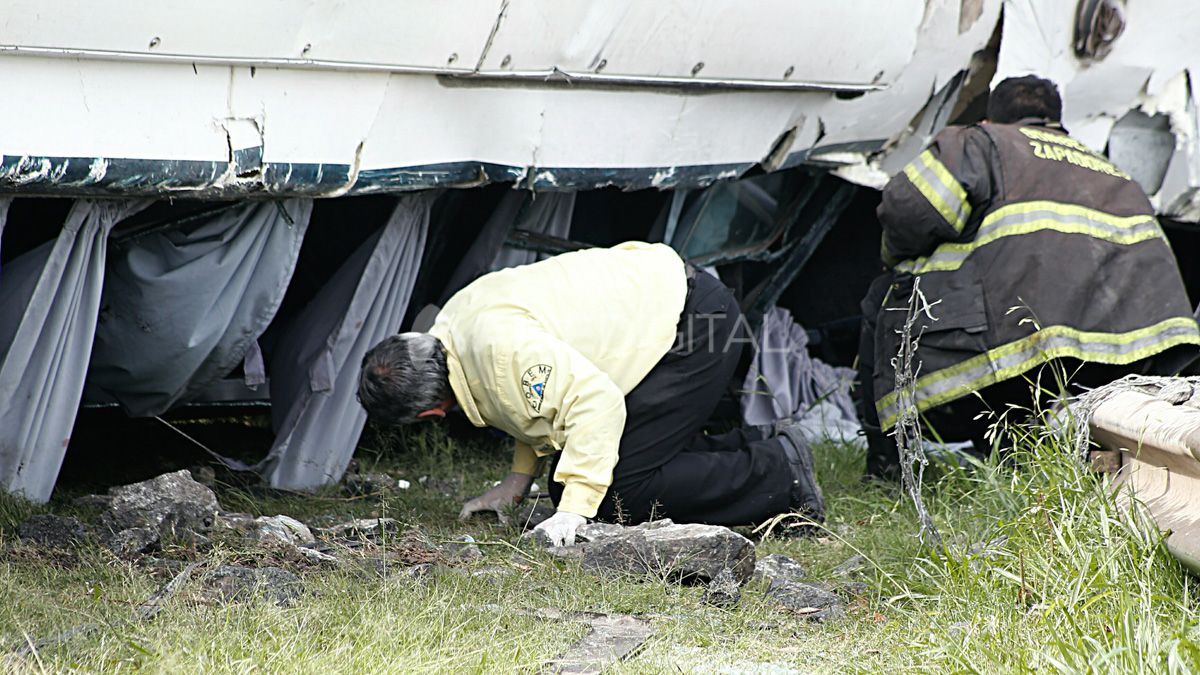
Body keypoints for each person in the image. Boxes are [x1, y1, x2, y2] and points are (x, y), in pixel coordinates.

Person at [358, 241, 824, 546]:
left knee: (614, 492)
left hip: (692, 323)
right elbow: (536, 407)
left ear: (431, 413)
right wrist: (517, 483)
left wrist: (575, 513)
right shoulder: (455, 331)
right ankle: (756, 448)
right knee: (575, 478)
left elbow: (594, 403)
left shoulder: (500, 354)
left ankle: (781, 474)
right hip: (665, 302)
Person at [858, 75, 1200, 479]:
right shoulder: (1112, 172)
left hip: (1019, 334)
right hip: (1128, 353)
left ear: (991, 120)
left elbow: (911, 211)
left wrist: (895, 259)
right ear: (1058, 123)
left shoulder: (980, 143)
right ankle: (1018, 456)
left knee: (885, 296)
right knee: (1026, 383)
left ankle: (889, 468)